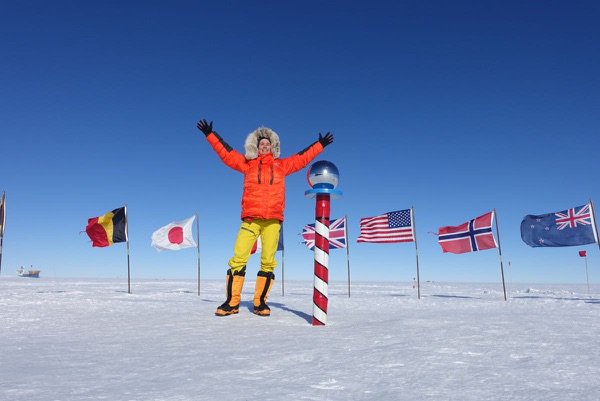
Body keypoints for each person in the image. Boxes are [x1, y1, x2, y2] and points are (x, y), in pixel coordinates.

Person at [197, 118, 334, 316]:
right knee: (238, 258)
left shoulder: (282, 166)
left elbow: (302, 158)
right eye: (261, 144)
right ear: (255, 146)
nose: (264, 146)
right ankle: (232, 302)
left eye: (267, 144)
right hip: (250, 219)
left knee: (268, 262)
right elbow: (226, 154)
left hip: (272, 221)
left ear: (273, 147)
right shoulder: (247, 164)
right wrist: (210, 134)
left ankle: (260, 303)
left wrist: (319, 145)